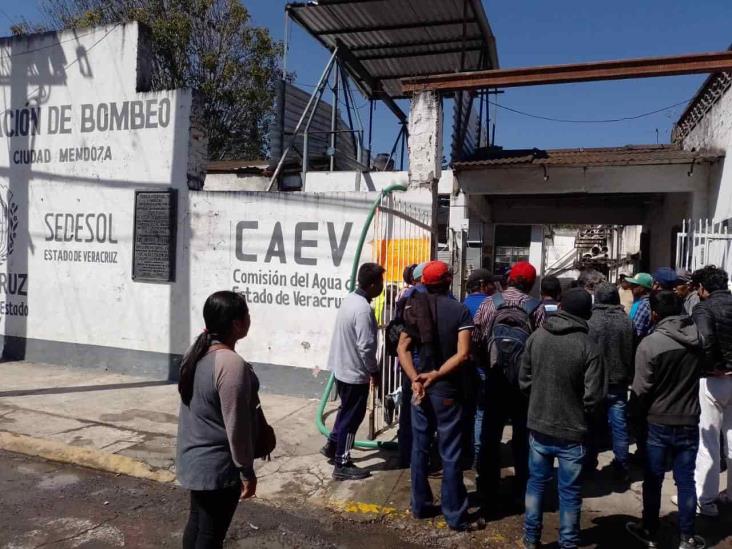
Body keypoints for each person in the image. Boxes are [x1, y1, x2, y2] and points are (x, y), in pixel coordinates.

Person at [397, 261, 483, 532]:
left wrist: (416, 379)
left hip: (421, 390)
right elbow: (463, 354)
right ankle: (455, 516)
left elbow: (402, 349)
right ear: (447, 281)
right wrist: (435, 375)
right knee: (450, 453)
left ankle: (420, 506)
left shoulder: (413, 307)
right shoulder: (458, 311)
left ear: (424, 282)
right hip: (446, 390)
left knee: (420, 448)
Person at [520, 288, 605, 549]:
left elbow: (524, 381)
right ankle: (568, 542)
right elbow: (594, 397)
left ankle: (531, 538)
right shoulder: (589, 346)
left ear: (560, 306)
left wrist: (539, 402)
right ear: (587, 313)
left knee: (536, 484)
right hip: (573, 430)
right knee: (569, 492)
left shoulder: (537, 337)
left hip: (538, 425)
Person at [177, 291, 258, 549]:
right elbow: (237, 426)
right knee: (211, 536)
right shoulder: (230, 364)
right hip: (217, 468)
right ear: (236, 323)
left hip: (195, 460)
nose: (249, 318)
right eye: (246, 314)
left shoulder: (197, 352)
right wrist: (246, 470)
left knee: (198, 525)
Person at [626, 292, 705, 549]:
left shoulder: (650, 344)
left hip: (657, 421)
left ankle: (649, 528)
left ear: (656, 314)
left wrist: (633, 420)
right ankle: (687, 537)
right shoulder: (698, 339)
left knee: (653, 478)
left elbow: (640, 389)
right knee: (686, 481)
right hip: (689, 418)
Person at [473, 261, 545, 506]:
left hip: (494, 378)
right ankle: (523, 486)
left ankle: (487, 486)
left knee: (490, 434)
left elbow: (476, 340)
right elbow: (539, 346)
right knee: (523, 435)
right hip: (524, 383)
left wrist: (487, 365)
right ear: (532, 283)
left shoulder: (489, 303)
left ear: (509, 279)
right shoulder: (536, 307)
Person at [321, 262, 385, 480]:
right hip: (354, 372)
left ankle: (332, 445)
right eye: (381, 282)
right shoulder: (363, 309)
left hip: (342, 368)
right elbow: (366, 346)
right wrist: (374, 370)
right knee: (353, 416)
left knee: (345, 410)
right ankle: (342, 462)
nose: (382, 287)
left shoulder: (350, 300)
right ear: (374, 284)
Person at [690, 265, 732, 517]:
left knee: (708, 441)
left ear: (703, 288)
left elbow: (704, 340)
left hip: (714, 380)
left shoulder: (703, 307)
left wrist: (714, 366)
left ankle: (705, 500)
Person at [586, 282, 634, 481]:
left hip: (594, 381)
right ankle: (622, 466)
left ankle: (588, 464)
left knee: (591, 425)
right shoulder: (626, 321)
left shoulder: (590, 320)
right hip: (619, 380)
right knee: (620, 425)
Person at [463, 268, 498, 467]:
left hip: (464, 367)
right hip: (484, 367)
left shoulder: (462, 304)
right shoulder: (492, 305)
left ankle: (466, 449)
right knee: (481, 411)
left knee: (467, 410)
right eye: (492, 283)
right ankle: (478, 454)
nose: (495, 287)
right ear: (484, 284)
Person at [395, 262, 428, 467]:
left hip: (408, 363)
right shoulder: (432, 297)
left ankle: (405, 454)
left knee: (408, 410)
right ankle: (421, 456)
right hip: (425, 362)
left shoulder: (404, 297)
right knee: (423, 413)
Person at [626, 273, 654, 341]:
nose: (631, 287)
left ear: (642, 288)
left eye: (634, 285)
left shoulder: (644, 305)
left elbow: (636, 332)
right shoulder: (638, 301)